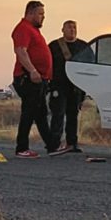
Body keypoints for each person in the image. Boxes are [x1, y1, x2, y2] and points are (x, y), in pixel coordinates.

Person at [12, 1, 69, 158]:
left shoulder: (33, 30)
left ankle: (52, 146)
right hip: (28, 78)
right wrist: (32, 70)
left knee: (40, 113)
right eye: (40, 14)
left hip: (39, 79)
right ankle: (22, 148)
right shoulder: (23, 29)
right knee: (29, 113)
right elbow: (21, 51)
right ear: (30, 13)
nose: (43, 17)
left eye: (43, 14)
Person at [48, 20, 89, 153]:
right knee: (58, 115)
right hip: (58, 86)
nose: (72, 30)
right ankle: (54, 144)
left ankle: (72, 143)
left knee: (73, 115)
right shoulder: (54, 46)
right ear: (62, 30)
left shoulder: (84, 46)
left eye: (74, 27)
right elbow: (47, 64)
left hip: (76, 87)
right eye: (69, 27)